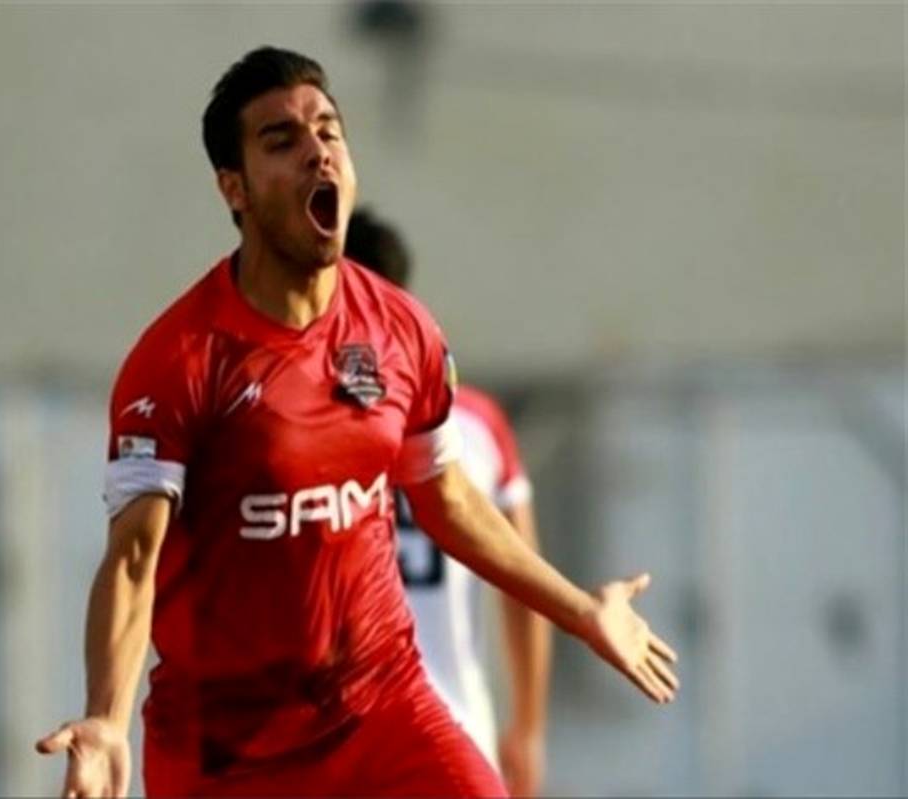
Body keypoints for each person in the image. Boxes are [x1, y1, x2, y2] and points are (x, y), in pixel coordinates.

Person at [36, 46, 678, 799]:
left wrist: (582, 612)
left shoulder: (401, 327)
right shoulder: (179, 359)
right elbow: (133, 560)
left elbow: (448, 498)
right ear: (234, 188)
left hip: (382, 708)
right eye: (282, 141)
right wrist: (107, 719)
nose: (317, 151)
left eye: (329, 131)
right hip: (230, 749)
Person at [344, 207, 551, 797]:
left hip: (343, 739)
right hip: (456, 733)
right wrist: (528, 727)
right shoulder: (475, 424)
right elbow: (525, 582)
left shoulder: (302, 422)